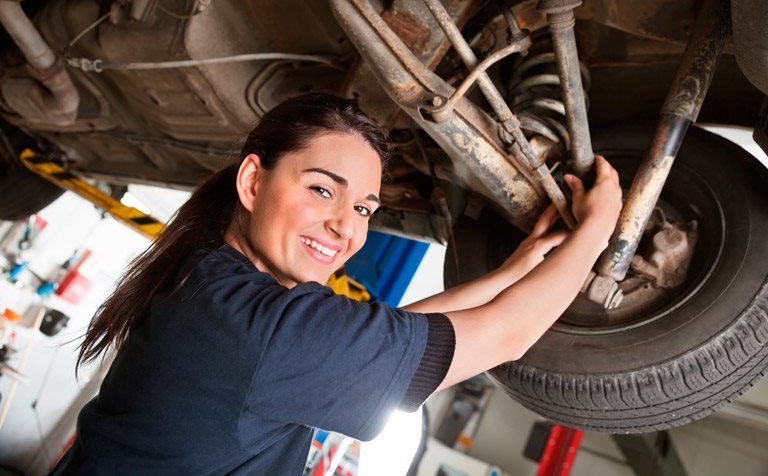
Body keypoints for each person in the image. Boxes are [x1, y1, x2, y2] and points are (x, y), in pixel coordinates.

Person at [52, 93, 622, 474]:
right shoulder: (260, 327)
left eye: (366, 207)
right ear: (253, 181)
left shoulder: (212, 284)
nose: (346, 226)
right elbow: (506, 337)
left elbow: (389, 337)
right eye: (323, 189)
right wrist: (597, 229)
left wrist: (515, 271)